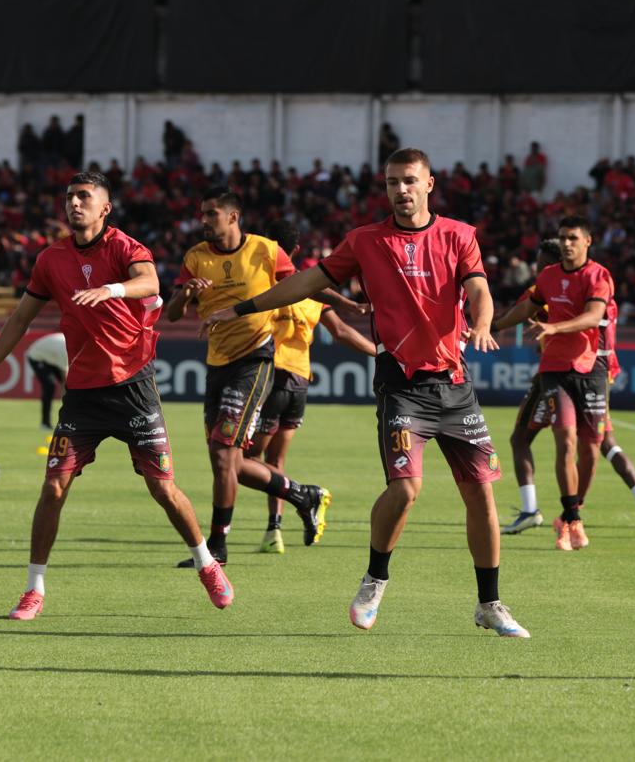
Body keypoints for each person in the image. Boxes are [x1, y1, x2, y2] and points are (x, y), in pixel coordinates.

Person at [204, 147, 529, 638]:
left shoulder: (459, 236)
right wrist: (245, 306)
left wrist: (483, 324)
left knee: (481, 494)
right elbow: (307, 281)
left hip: (455, 385)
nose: (400, 190)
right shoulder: (365, 241)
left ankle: (490, 603)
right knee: (405, 489)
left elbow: (478, 288)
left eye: (409, 181)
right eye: (392, 182)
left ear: (429, 184)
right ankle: (375, 579)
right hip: (402, 385)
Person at [0, 171, 233, 620]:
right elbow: (20, 318)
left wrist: (110, 290)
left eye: (85, 197)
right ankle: (34, 590)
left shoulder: (126, 248)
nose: (75, 204)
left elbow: (151, 283)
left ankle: (207, 564)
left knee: (163, 489)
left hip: (133, 386)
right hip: (83, 395)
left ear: (105, 207)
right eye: (70, 197)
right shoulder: (51, 259)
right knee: (53, 486)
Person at [165, 189, 333, 566]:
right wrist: (186, 293)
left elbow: (303, 286)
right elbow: (174, 312)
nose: (204, 220)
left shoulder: (265, 250)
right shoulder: (195, 257)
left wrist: (347, 304)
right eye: (202, 214)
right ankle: (302, 494)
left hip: (256, 360)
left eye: (211, 214)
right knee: (228, 463)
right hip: (217, 362)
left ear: (233, 216)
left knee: (226, 455)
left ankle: (217, 546)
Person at [495, 240, 635, 539]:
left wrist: (493, 325)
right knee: (603, 444)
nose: (538, 269)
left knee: (524, 437)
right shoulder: (591, 287)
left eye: (540, 263)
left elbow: (526, 312)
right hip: (599, 370)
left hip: (564, 371)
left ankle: (533, 509)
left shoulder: (549, 287)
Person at [247, 220, 377, 555]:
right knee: (275, 459)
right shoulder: (309, 290)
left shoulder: (261, 285)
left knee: (242, 460)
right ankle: (273, 531)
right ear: (296, 250)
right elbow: (342, 333)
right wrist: (379, 352)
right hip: (300, 382)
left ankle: (304, 497)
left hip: (271, 378)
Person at [486, 216, 614, 551]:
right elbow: (527, 306)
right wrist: (495, 325)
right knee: (566, 442)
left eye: (573, 238)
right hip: (555, 369)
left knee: (590, 449)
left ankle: (572, 511)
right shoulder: (548, 276)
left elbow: (592, 315)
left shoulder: (598, 275)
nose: (567, 243)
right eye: (562, 238)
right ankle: (571, 520)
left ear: (587, 241)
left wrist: (555, 328)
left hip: (591, 369)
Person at [26, 332, 68, 430]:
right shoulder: (64, 349)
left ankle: (67, 421)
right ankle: (45, 423)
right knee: (50, 386)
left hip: (51, 358)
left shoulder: (69, 344)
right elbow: (64, 378)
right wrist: (66, 399)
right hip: (36, 356)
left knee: (69, 388)